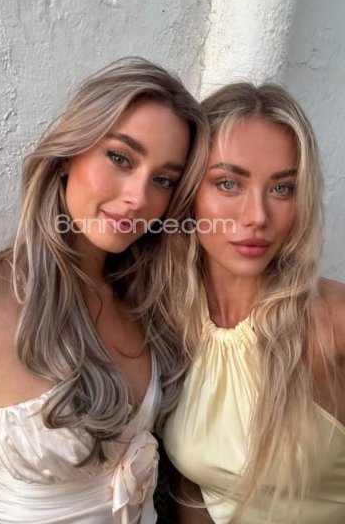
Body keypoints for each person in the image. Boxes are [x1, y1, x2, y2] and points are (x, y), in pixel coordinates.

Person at [0, 56, 209, 524]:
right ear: (69, 153)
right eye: (120, 158)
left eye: (163, 180)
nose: (138, 198)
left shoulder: (148, 302)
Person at [164, 83, 345, 524]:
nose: (258, 216)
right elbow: (195, 489)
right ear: (188, 193)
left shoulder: (333, 321)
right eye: (229, 183)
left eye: (282, 188)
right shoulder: (170, 317)